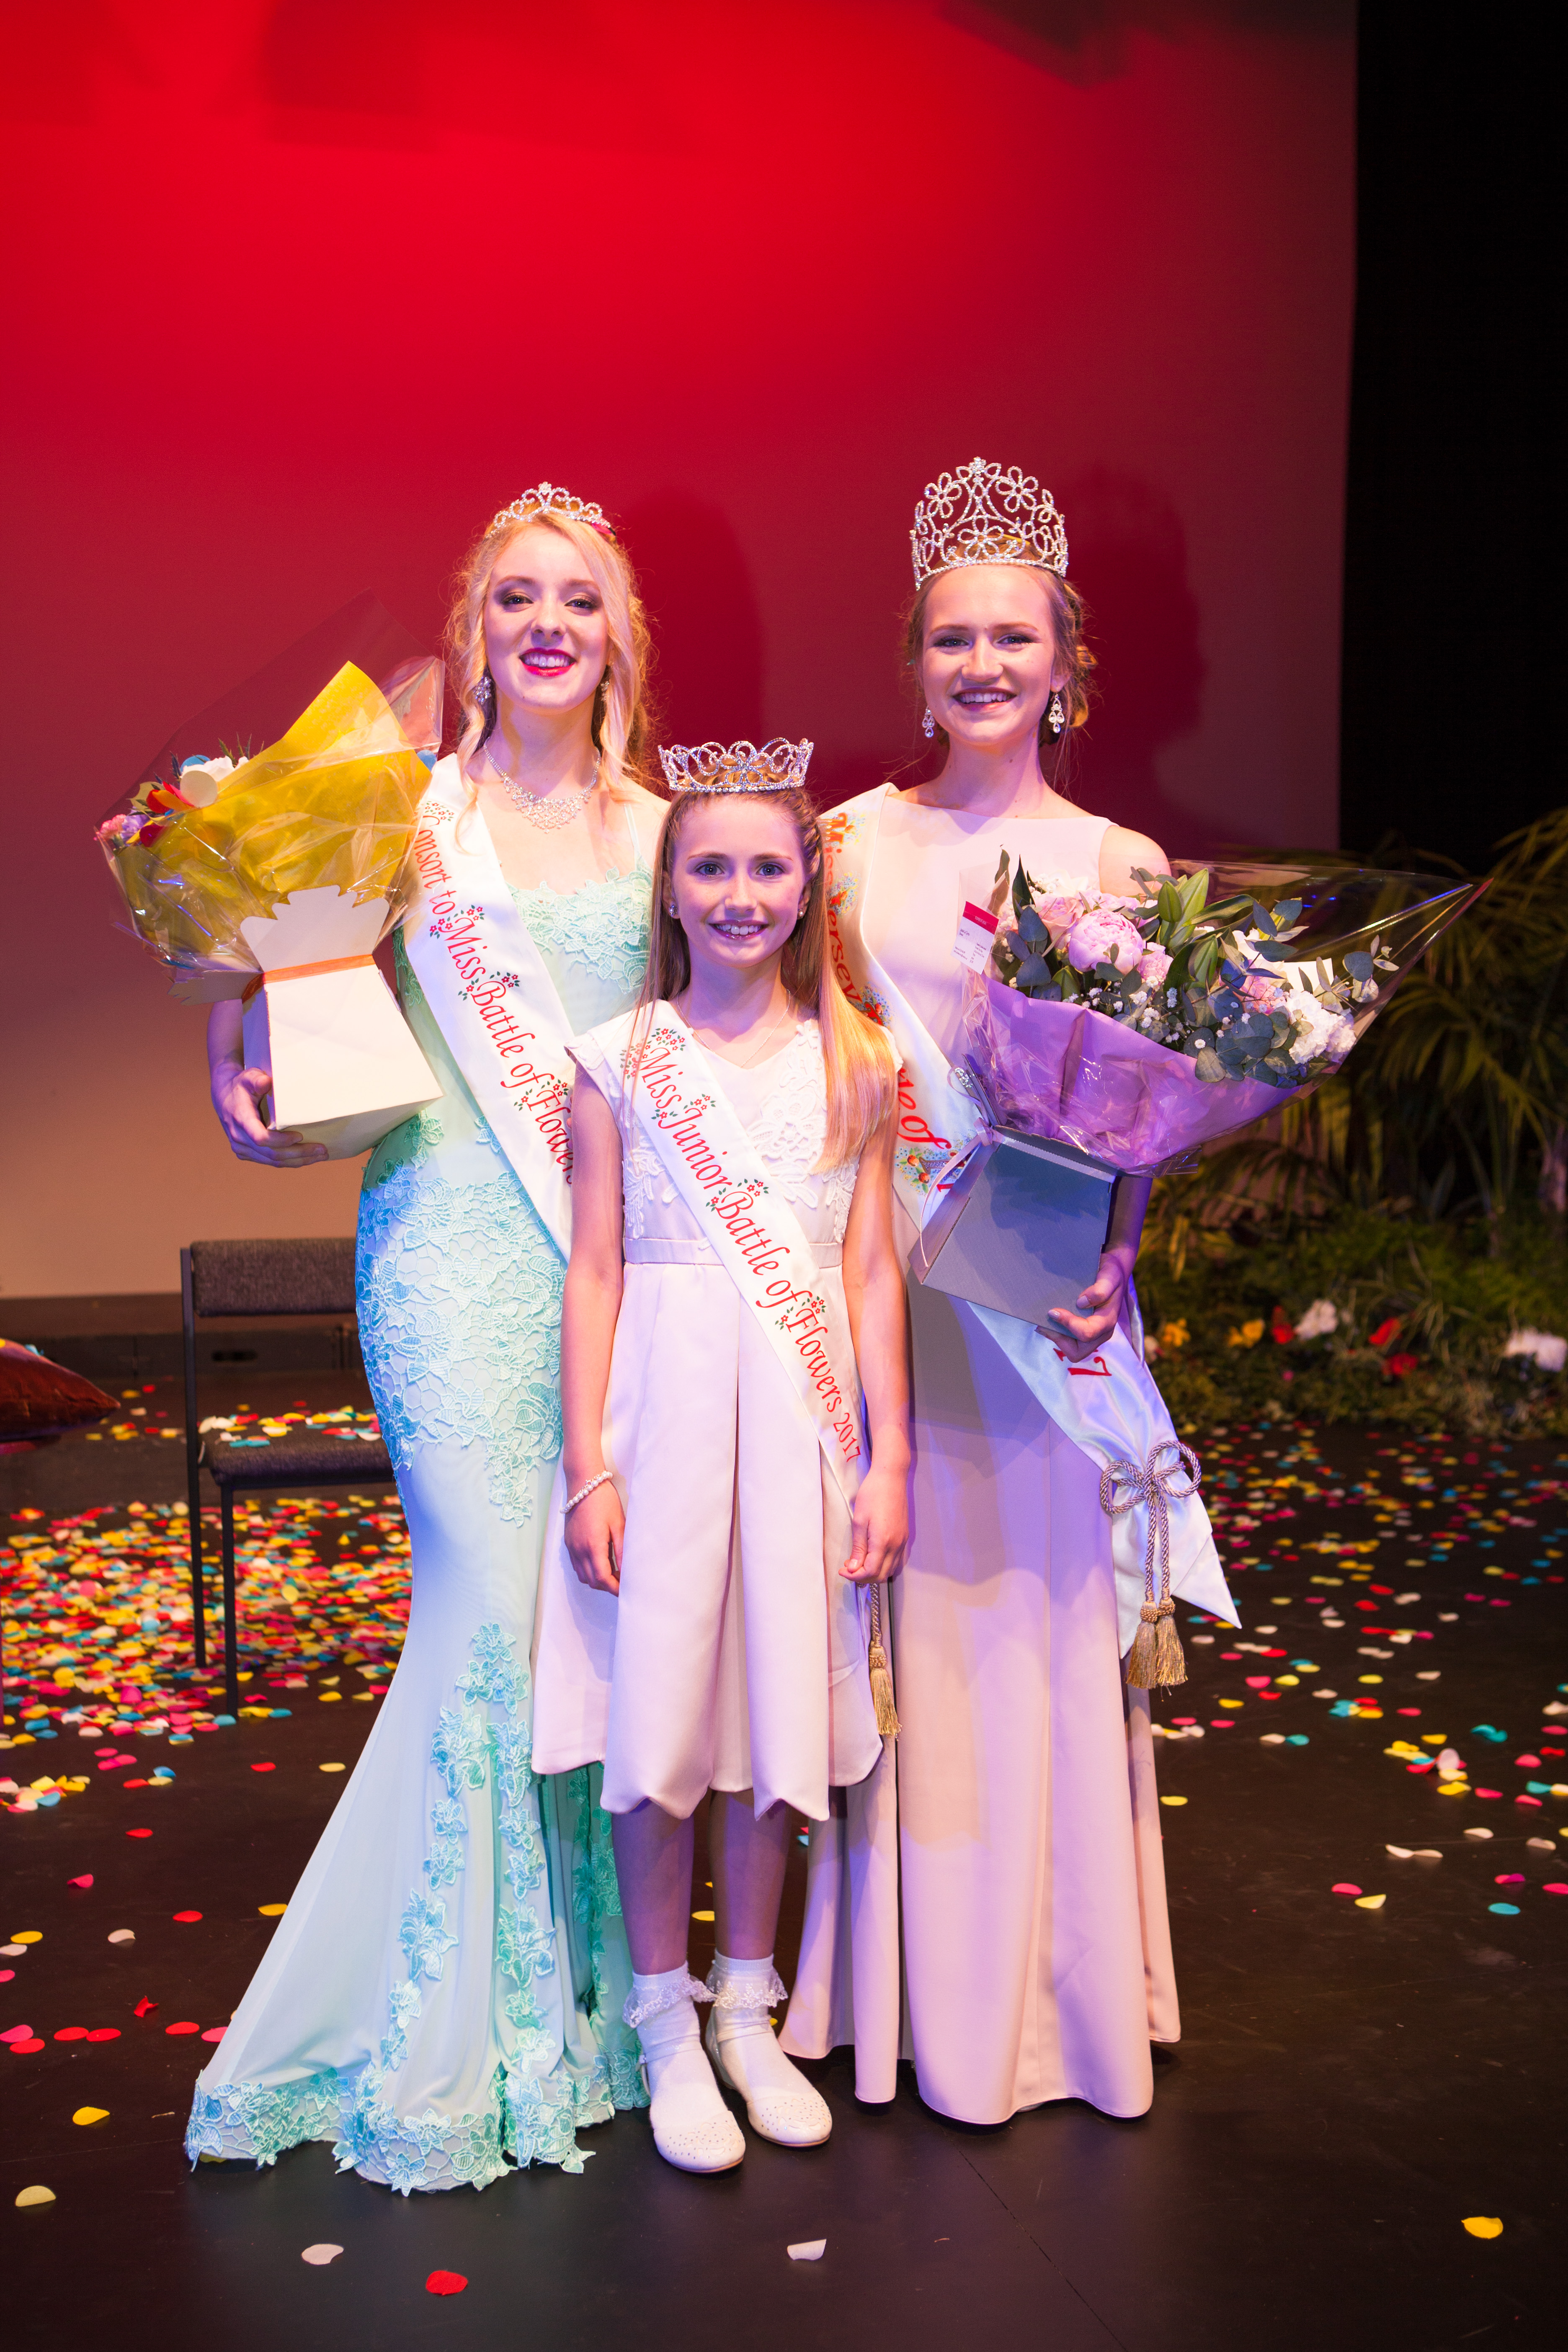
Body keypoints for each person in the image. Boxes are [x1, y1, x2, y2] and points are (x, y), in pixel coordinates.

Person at [187, 485, 668, 2190]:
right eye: (518, 596)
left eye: (580, 599)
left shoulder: (660, 830)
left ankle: (599, 2014)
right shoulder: (408, 816)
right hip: (446, 1254)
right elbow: (296, 992)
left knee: (579, 1629)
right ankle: (459, 2032)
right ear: (480, 629)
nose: (549, 623)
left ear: (620, 638)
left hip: (615, 1276)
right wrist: (248, 1062)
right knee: (483, 1623)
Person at [785, 458, 1180, 2125]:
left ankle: (1061, 2004)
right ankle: (895, 2002)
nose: (983, 666)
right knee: (912, 1632)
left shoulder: (1123, 861)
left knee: (1042, 1624)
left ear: (1066, 658)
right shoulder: (846, 847)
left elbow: (1156, 1099)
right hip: (898, 1303)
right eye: (954, 639)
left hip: (1045, 1302)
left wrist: (1120, 1247)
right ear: (918, 657)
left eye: (1013, 637)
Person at [531, 739, 909, 2173]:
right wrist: (588, 1463)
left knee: (771, 1721)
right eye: (712, 867)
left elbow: (871, 1274)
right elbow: (596, 1272)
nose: (742, 893)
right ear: (671, 889)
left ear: (810, 879)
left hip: (805, 1431)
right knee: (665, 1727)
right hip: (666, 1421)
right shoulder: (620, 1063)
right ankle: (661, 2020)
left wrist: (891, 1459)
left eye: (768, 865)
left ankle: (748, 2007)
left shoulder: (856, 1060)